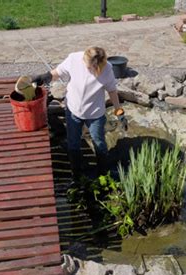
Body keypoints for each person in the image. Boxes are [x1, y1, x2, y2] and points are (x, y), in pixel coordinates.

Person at [30, 46, 127, 182]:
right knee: (73, 143)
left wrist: (119, 111)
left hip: (95, 114)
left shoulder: (107, 69)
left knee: (99, 143)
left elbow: (112, 91)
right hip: (73, 110)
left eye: (91, 67)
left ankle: (103, 173)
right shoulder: (74, 59)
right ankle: (76, 174)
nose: (87, 68)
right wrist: (45, 77)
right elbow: (58, 72)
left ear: (98, 64)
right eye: (86, 65)